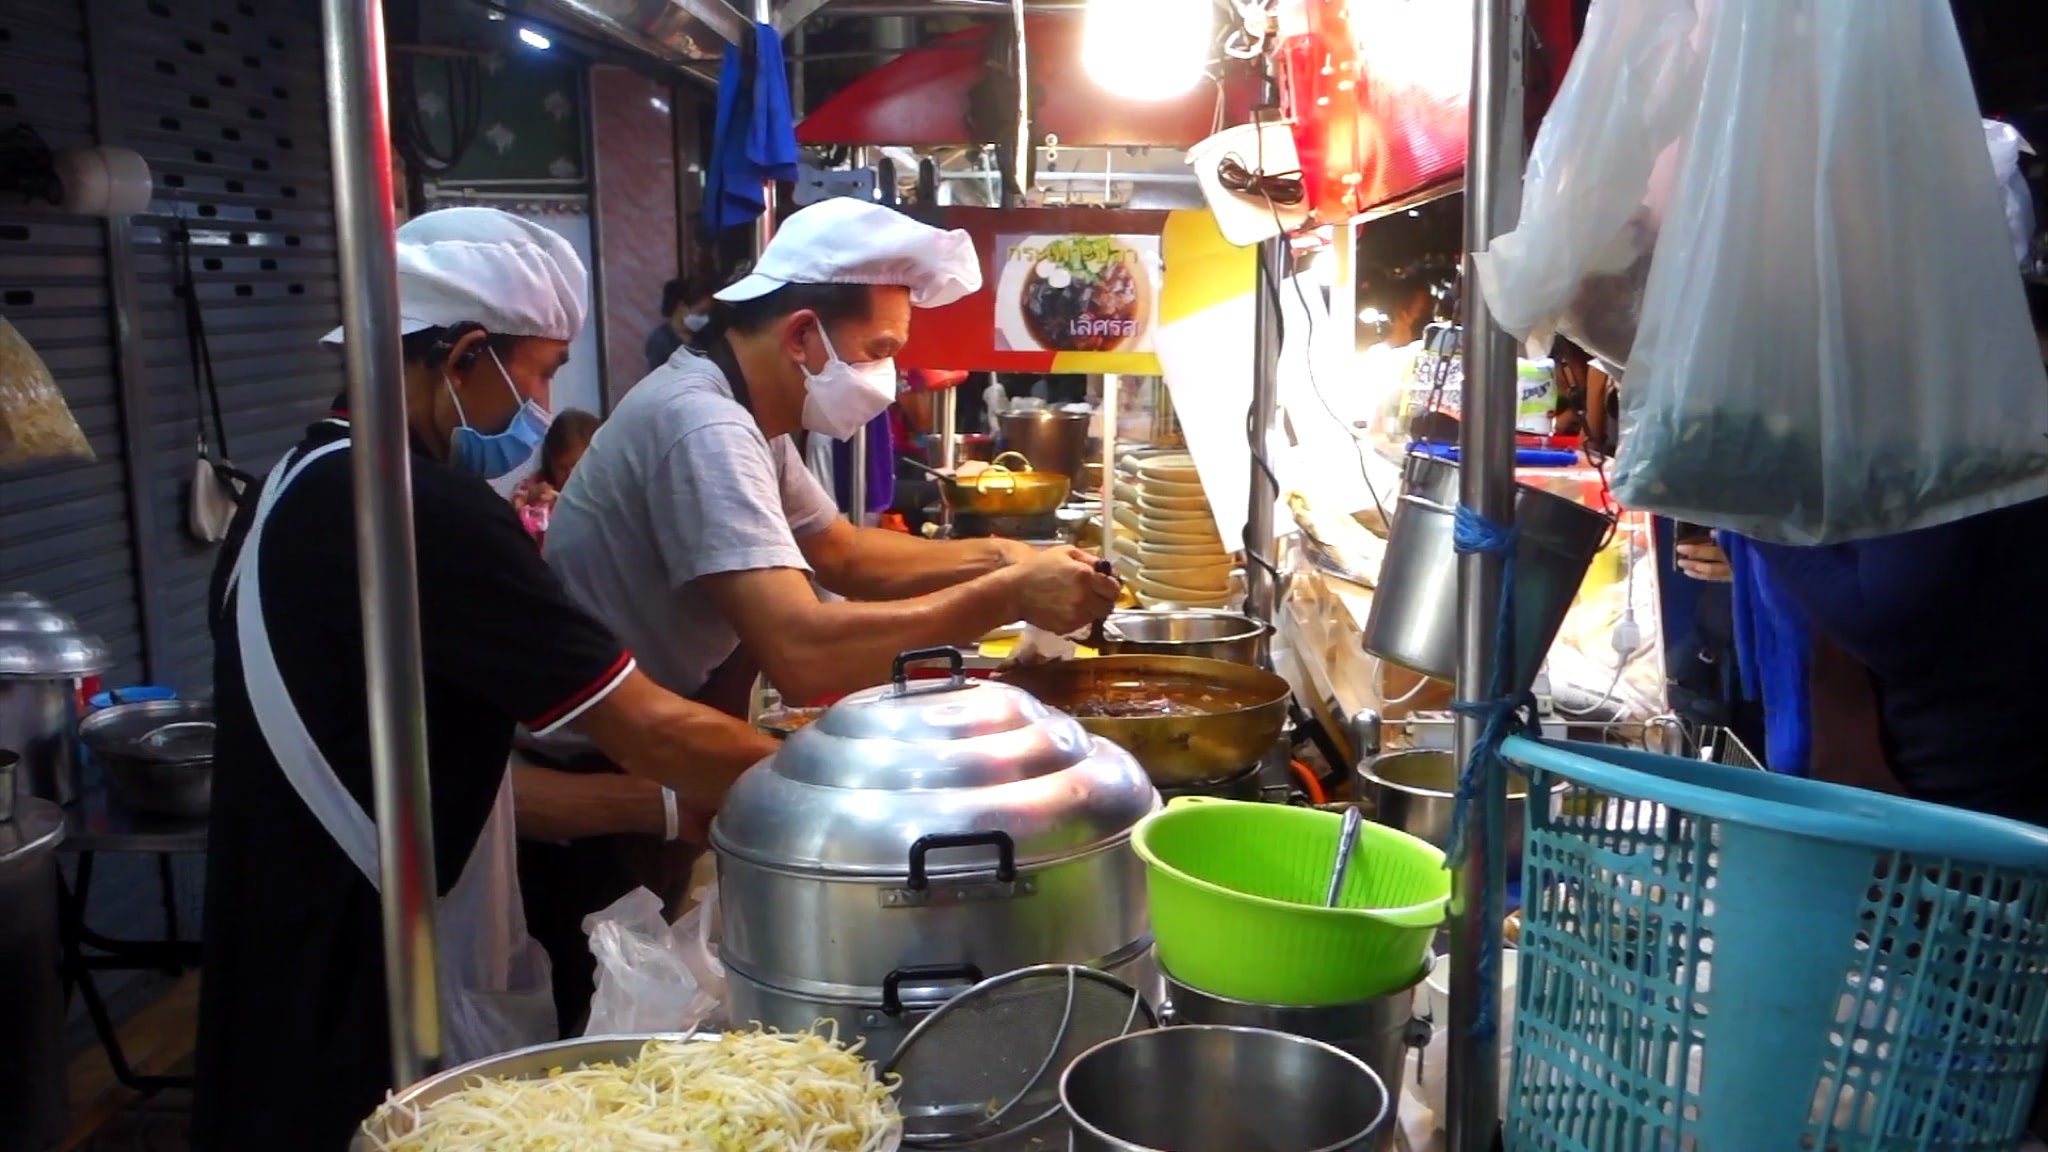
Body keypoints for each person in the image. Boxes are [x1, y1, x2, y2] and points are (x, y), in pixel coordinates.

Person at [192, 208, 781, 1152]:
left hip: (284, 962)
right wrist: (835, 788)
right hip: (371, 987)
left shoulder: (292, 483)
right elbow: (648, 727)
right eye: (540, 372)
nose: (541, 406)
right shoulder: (417, 508)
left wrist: (666, 810)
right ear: (467, 356)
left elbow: (453, 777)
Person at [546, 197, 1119, 710]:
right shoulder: (703, 422)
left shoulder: (740, 409)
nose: (886, 378)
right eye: (878, 352)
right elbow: (803, 656)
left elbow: (842, 553)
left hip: (673, 708)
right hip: (606, 757)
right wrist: (1010, 594)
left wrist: (1006, 557)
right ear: (800, 336)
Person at [513, 407, 601, 544]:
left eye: (579, 465)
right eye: (562, 468)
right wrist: (528, 508)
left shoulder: (607, 491)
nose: (571, 475)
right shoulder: (529, 492)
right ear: (550, 463)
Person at [645, 275, 714, 372]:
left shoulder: (704, 335)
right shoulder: (660, 341)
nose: (706, 318)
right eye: (701, 312)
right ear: (682, 306)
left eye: (708, 313)